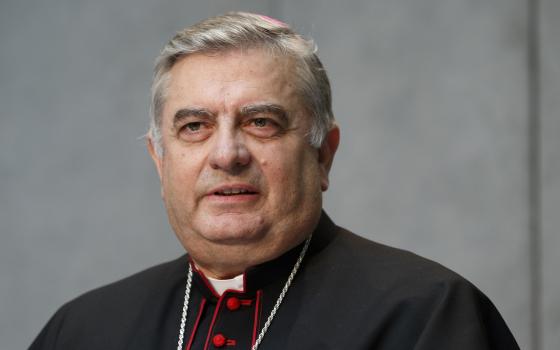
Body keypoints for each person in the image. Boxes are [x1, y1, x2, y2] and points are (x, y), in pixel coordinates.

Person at [29, 12, 520, 350]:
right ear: (160, 161)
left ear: (323, 154)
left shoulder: (426, 316)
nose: (227, 154)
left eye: (261, 122)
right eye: (194, 127)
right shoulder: (83, 330)